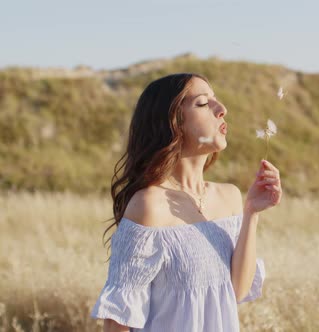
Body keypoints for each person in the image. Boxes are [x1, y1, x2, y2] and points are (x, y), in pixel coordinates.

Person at [90, 73, 282, 331]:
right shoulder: (149, 206)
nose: (222, 109)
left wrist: (252, 213)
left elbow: (236, 291)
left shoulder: (230, 197)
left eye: (216, 100)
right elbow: (118, 320)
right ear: (173, 123)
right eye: (203, 103)